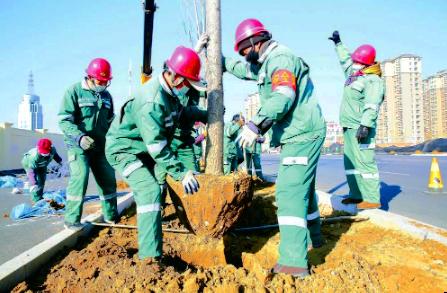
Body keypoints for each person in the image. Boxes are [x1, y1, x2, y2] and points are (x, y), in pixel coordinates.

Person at [223, 18, 326, 277]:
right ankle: (315, 237)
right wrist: (220, 61)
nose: (244, 56)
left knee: (289, 192)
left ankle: (293, 262)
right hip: (300, 133)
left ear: (255, 42)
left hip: (301, 134)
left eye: (244, 51)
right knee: (305, 189)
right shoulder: (266, 62)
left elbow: (284, 95)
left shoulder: (280, 59)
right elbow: (245, 70)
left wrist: (256, 124)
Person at [105, 46, 205, 267]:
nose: (188, 89)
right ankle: (150, 258)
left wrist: (208, 115)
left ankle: (153, 234)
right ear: (176, 77)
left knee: (160, 185)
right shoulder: (152, 101)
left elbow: (182, 114)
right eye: (188, 84)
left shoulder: (170, 93)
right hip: (125, 150)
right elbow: (158, 148)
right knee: (149, 190)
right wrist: (181, 173)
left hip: (144, 149)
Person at [58, 58, 118, 229]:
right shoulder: (74, 92)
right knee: (80, 177)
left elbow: (110, 121)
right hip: (78, 146)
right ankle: (71, 220)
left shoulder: (107, 96)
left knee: (108, 179)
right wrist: (80, 137)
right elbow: (64, 121)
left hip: (100, 146)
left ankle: (111, 216)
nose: (103, 84)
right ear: (90, 77)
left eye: (107, 81)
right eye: (101, 81)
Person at [329, 31, 384, 210]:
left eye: (358, 61)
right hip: (348, 126)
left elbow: (372, 105)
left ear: (366, 63)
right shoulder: (356, 74)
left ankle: (372, 199)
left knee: (365, 162)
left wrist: (366, 125)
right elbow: (345, 60)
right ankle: (356, 195)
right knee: (350, 163)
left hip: (361, 127)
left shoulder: (373, 80)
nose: (355, 63)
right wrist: (338, 44)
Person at [22, 138, 63, 203]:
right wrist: (33, 183)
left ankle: (40, 197)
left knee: (42, 180)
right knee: (35, 183)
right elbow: (31, 171)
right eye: (42, 151)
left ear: (49, 148)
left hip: (42, 164)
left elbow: (55, 155)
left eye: (45, 151)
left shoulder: (52, 149)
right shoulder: (34, 156)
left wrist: (60, 161)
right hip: (29, 164)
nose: (43, 153)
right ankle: (36, 201)